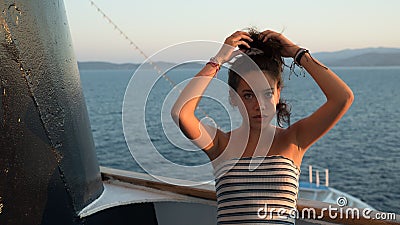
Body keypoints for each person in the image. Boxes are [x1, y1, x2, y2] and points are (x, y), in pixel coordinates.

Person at [171, 29, 354, 224]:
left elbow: (343, 97)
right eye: (248, 95)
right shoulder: (220, 144)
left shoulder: (294, 140)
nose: (259, 105)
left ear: (278, 93)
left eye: (267, 94)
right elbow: (180, 112)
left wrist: (297, 53)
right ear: (233, 97)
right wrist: (218, 59)